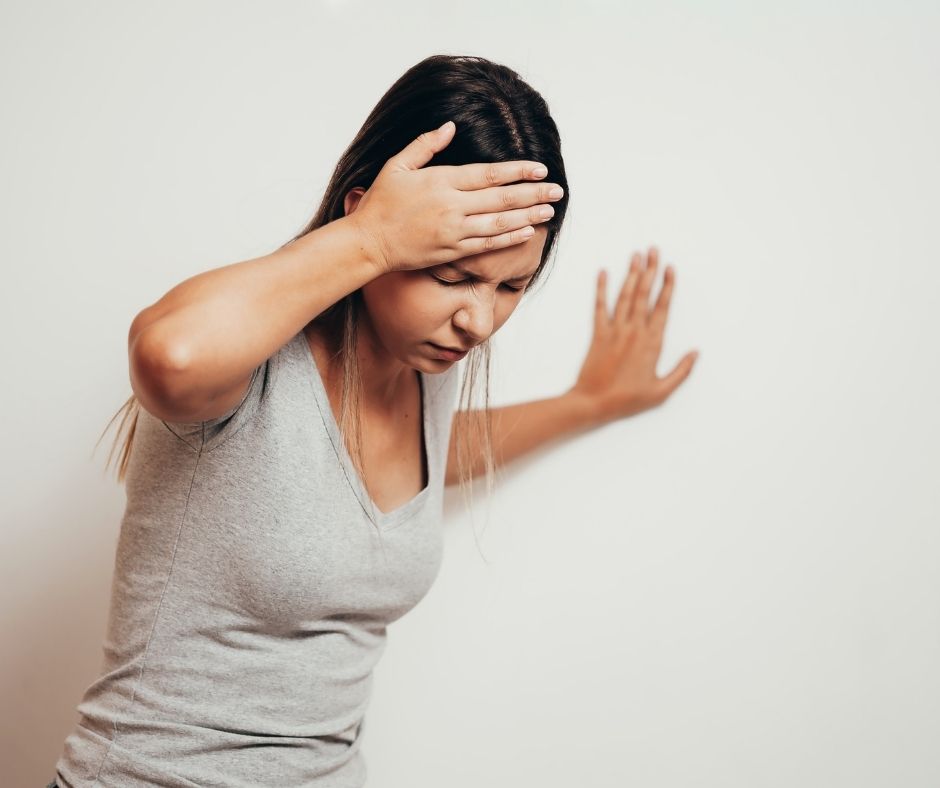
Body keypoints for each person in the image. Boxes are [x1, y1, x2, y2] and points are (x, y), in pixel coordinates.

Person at [47, 54, 696, 787]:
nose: (478, 319)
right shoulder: (247, 360)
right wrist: (372, 242)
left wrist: (591, 401)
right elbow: (169, 356)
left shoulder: (423, 365)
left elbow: (427, 461)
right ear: (371, 212)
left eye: (511, 285)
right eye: (451, 274)